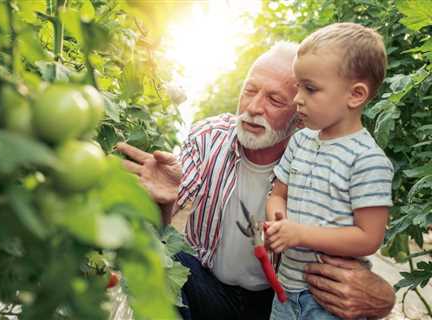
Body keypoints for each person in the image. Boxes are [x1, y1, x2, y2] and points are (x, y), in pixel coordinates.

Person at [116, 40, 396, 320]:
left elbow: (351, 238)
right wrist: (163, 204)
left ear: (300, 115)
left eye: (275, 100)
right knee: (161, 266)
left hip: (279, 298)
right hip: (210, 287)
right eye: (250, 90)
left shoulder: (319, 159)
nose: (253, 107)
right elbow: (160, 233)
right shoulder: (208, 137)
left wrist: (383, 295)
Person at [265, 23, 393, 320]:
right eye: (298, 85)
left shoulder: (367, 160)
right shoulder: (300, 141)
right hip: (286, 289)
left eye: (309, 88)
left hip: (329, 301)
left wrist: (299, 234)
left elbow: (368, 238)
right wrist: (278, 220)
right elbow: (278, 195)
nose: (297, 97)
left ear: (355, 95)